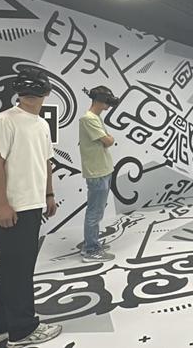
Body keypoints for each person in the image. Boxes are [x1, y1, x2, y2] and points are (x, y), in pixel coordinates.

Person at [0, 67, 62, 346]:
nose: (31, 95)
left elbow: (46, 161)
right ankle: (23, 329)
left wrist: (49, 194)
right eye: (26, 90)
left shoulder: (41, 125)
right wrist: (2, 204)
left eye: (35, 89)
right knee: (19, 270)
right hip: (14, 206)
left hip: (34, 203)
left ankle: (1, 325)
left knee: (12, 268)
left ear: (46, 92)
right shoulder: (4, 120)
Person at [79, 86, 120, 263]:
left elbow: (107, 140)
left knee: (97, 211)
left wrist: (108, 138)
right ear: (100, 101)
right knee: (94, 212)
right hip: (97, 172)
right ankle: (91, 249)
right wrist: (109, 138)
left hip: (102, 170)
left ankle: (93, 243)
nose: (109, 105)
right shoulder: (88, 119)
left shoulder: (95, 118)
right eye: (107, 102)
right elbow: (108, 141)